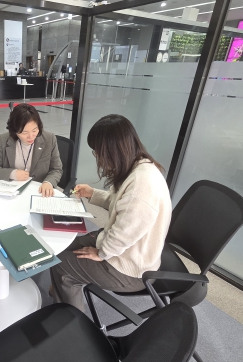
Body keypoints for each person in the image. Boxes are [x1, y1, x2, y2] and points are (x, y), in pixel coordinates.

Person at [50, 114, 172, 311]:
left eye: (97, 152)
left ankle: (72, 319)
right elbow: (122, 206)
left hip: (130, 269)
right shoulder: (138, 166)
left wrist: (102, 253)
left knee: (61, 264)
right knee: (65, 243)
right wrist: (92, 193)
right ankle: (62, 288)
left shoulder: (142, 184)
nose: (97, 157)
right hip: (125, 249)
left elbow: (125, 233)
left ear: (112, 151)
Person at [0, 103, 62, 197]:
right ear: (15, 130)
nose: (31, 136)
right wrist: (12, 174)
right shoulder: (3, 139)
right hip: (11, 192)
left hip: (38, 191)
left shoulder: (49, 139)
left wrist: (48, 182)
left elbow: (56, 169)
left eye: (34, 130)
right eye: (24, 132)